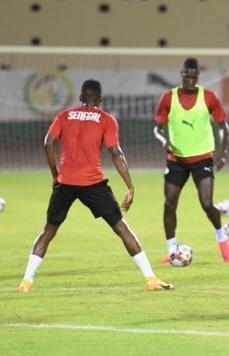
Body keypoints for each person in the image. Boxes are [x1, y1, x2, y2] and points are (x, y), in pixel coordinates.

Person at [17, 79, 173, 293]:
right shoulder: (106, 120)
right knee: (121, 228)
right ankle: (150, 278)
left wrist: (55, 173)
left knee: (49, 230)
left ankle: (26, 281)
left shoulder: (64, 115)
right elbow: (116, 153)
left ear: (81, 97)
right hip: (93, 183)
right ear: (100, 99)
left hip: (66, 182)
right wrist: (130, 186)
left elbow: (48, 143)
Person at [153, 57, 229, 263]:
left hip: (202, 157)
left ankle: (222, 238)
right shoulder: (168, 98)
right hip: (176, 159)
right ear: (182, 75)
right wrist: (163, 141)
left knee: (207, 203)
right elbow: (157, 128)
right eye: (187, 76)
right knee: (169, 204)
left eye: (193, 76)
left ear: (197, 76)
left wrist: (221, 152)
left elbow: (223, 126)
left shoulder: (209, 97)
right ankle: (172, 250)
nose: (190, 79)